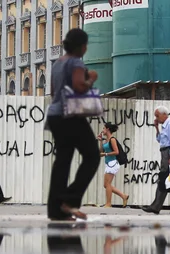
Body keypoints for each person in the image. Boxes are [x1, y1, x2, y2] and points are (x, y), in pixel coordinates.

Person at [46, 28, 100, 221]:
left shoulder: (57, 63)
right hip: (71, 115)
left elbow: (53, 92)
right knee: (92, 155)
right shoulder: (76, 62)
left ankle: (55, 210)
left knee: (62, 161)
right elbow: (78, 86)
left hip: (55, 115)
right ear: (81, 46)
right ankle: (70, 200)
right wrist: (91, 78)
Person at [142, 106, 170, 215]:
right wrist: (156, 128)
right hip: (165, 152)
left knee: (163, 179)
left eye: (157, 116)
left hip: (168, 153)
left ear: (164, 114)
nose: (156, 118)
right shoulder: (164, 125)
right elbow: (160, 140)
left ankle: (156, 206)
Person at [98, 122, 128, 208]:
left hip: (113, 162)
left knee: (107, 184)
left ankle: (108, 203)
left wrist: (106, 154)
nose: (102, 130)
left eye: (104, 128)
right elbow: (101, 151)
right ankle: (123, 196)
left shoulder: (112, 139)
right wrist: (100, 141)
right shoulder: (106, 140)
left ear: (107, 129)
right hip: (108, 163)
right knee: (106, 185)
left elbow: (116, 152)